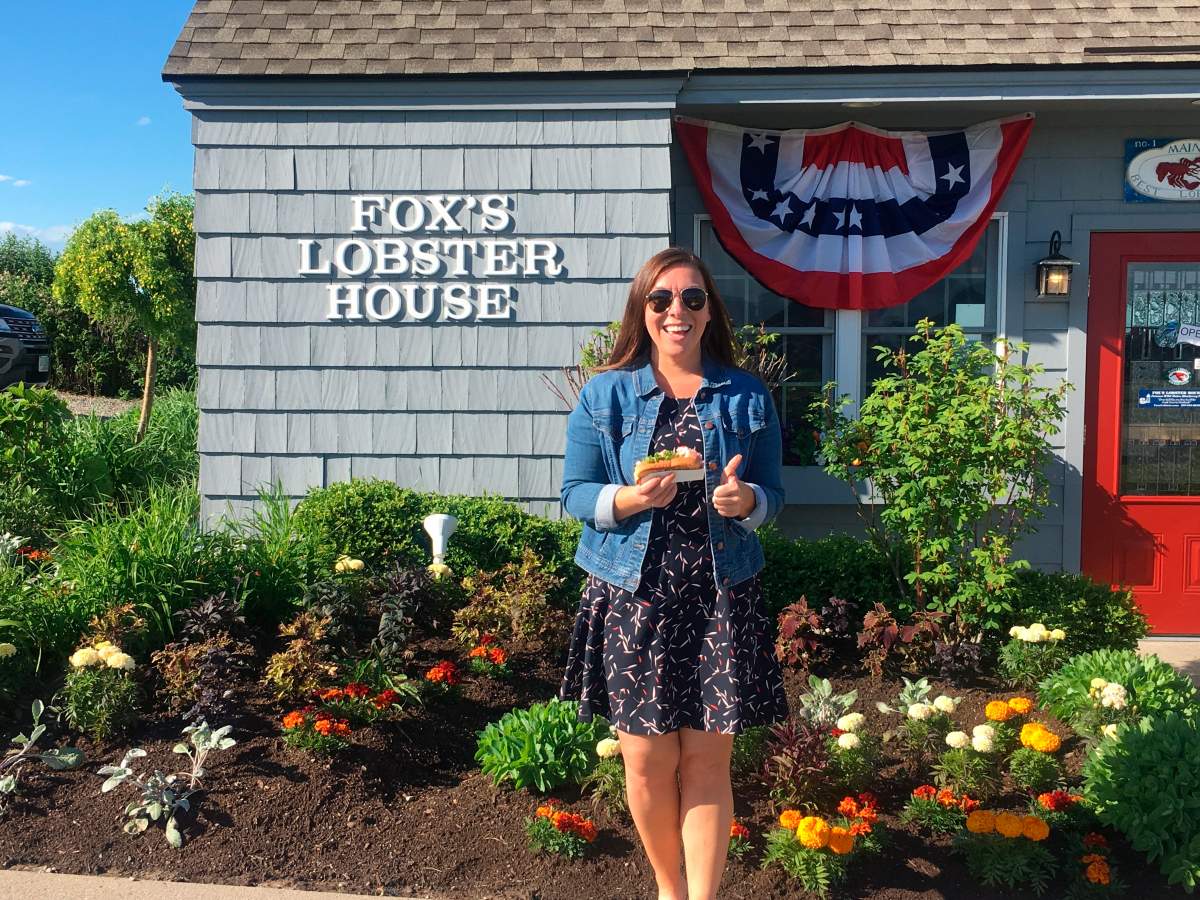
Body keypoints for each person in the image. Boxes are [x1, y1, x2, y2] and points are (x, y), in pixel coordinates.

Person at [559, 247, 788, 900]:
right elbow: (575, 492)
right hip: (634, 595)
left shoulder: (746, 393)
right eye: (661, 299)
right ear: (643, 310)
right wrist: (629, 499)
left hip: (719, 596)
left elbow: (772, 493)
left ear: (710, 310)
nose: (676, 311)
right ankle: (669, 889)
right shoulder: (606, 393)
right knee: (647, 761)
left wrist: (748, 504)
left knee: (710, 763)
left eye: (691, 298)